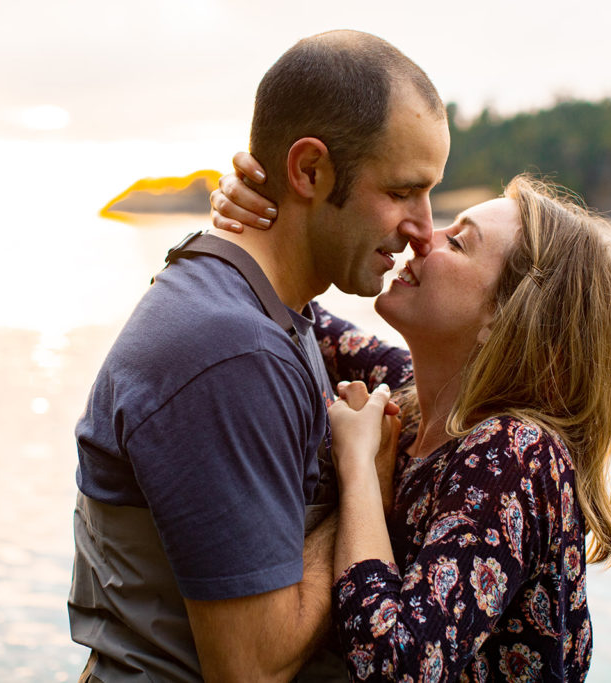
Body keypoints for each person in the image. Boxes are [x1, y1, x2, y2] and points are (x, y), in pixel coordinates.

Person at [68, 30, 449, 682]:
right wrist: (365, 481)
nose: (424, 230)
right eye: (402, 191)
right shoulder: (231, 353)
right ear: (310, 171)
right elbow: (251, 668)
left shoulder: (271, 312)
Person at [212, 165, 611, 680]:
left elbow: (397, 667)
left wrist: (360, 470)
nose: (421, 237)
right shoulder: (414, 399)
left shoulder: (518, 454)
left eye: (457, 242)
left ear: (503, 317)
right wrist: (257, 214)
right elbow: (291, 305)